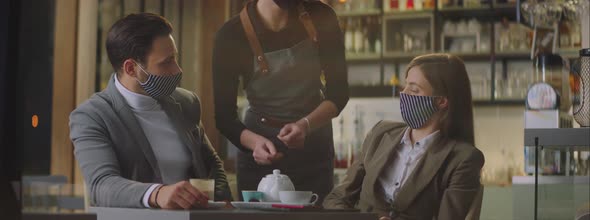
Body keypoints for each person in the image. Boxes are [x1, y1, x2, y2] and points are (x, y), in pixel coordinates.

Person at [70, 13, 232, 210]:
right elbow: (101, 184)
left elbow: (212, 165)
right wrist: (157, 193)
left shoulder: (186, 102)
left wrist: (224, 206)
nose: (177, 70)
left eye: (175, 58)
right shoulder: (92, 116)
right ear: (131, 68)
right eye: (166, 62)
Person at [212, 0, 348, 203]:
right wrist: (255, 143)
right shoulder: (231, 34)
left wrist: (305, 125)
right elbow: (224, 118)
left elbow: (339, 93)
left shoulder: (321, 16)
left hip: (313, 148)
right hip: (259, 155)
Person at [323, 53, 485, 220]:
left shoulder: (463, 159)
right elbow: (337, 198)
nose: (403, 93)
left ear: (441, 101)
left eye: (414, 89)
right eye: (405, 85)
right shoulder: (380, 133)